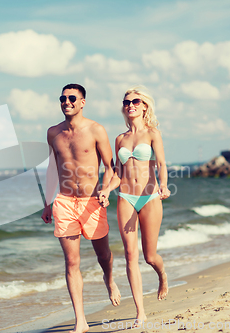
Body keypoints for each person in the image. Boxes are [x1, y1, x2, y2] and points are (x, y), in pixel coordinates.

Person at [41, 83, 121, 333]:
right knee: (71, 262)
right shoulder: (53, 133)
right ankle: (81, 321)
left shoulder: (96, 129)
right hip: (64, 202)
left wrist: (106, 191)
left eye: (72, 98)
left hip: (92, 201)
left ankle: (109, 279)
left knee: (103, 256)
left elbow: (110, 168)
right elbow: (53, 168)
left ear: (83, 102)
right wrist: (47, 201)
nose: (67, 101)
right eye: (62, 98)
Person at [98, 86, 170, 327]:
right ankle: (140, 311)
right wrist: (107, 189)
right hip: (126, 197)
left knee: (149, 256)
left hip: (149, 197)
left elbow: (160, 162)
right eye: (127, 102)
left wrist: (164, 185)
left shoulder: (152, 133)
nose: (130, 105)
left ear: (144, 106)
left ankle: (162, 275)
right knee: (130, 254)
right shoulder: (120, 138)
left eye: (135, 101)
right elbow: (118, 174)